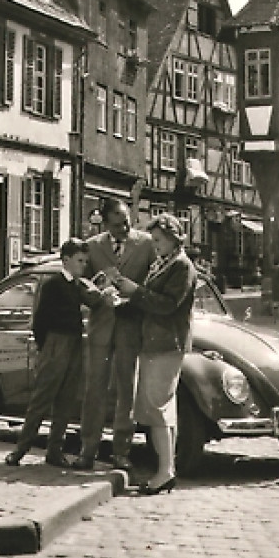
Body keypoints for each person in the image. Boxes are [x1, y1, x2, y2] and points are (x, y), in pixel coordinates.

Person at [5, 239, 109, 467]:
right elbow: (39, 319)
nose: (83, 265)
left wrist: (102, 288)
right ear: (66, 260)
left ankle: (54, 450)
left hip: (73, 345)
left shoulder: (76, 285)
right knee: (42, 397)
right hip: (55, 344)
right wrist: (46, 348)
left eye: (85, 261)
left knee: (66, 399)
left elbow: (95, 302)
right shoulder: (53, 284)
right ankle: (20, 449)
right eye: (80, 261)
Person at [115, 213, 198, 494]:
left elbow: (167, 305)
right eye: (154, 240)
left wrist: (135, 291)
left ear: (174, 237)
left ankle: (164, 471)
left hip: (166, 344)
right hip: (154, 343)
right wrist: (117, 301)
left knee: (158, 408)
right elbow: (147, 303)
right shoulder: (163, 264)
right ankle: (166, 468)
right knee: (162, 408)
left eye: (159, 240)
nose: (156, 245)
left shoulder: (181, 267)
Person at [72, 198, 155, 471]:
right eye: (118, 225)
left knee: (126, 390)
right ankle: (88, 449)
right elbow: (81, 283)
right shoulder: (93, 246)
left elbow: (154, 280)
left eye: (128, 222)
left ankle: (121, 450)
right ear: (105, 223)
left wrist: (137, 299)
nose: (125, 228)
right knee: (94, 389)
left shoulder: (145, 244)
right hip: (101, 326)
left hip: (131, 326)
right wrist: (97, 296)